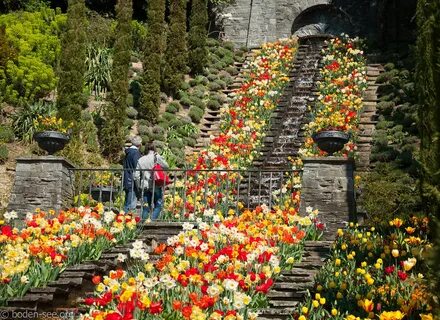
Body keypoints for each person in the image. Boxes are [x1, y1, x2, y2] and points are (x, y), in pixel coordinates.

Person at [134, 141, 169, 221]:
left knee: (146, 207)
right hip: (155, 184)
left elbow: (136, 176)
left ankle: (143, 225)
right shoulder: (156, 157)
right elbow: (166, 166)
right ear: (154, 148)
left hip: (145, 185)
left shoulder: (141, 159)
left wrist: (139, 186)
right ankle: (152, 221)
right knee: (158, 205)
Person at [123, 136, 142, 213]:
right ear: (139, 144)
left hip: (127, 178)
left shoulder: (128, 152)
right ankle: (127, 221)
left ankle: (123, 220)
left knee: (127, 202)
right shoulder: (135, 153)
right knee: (131, 204)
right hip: (132, 180)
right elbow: (137, 167)